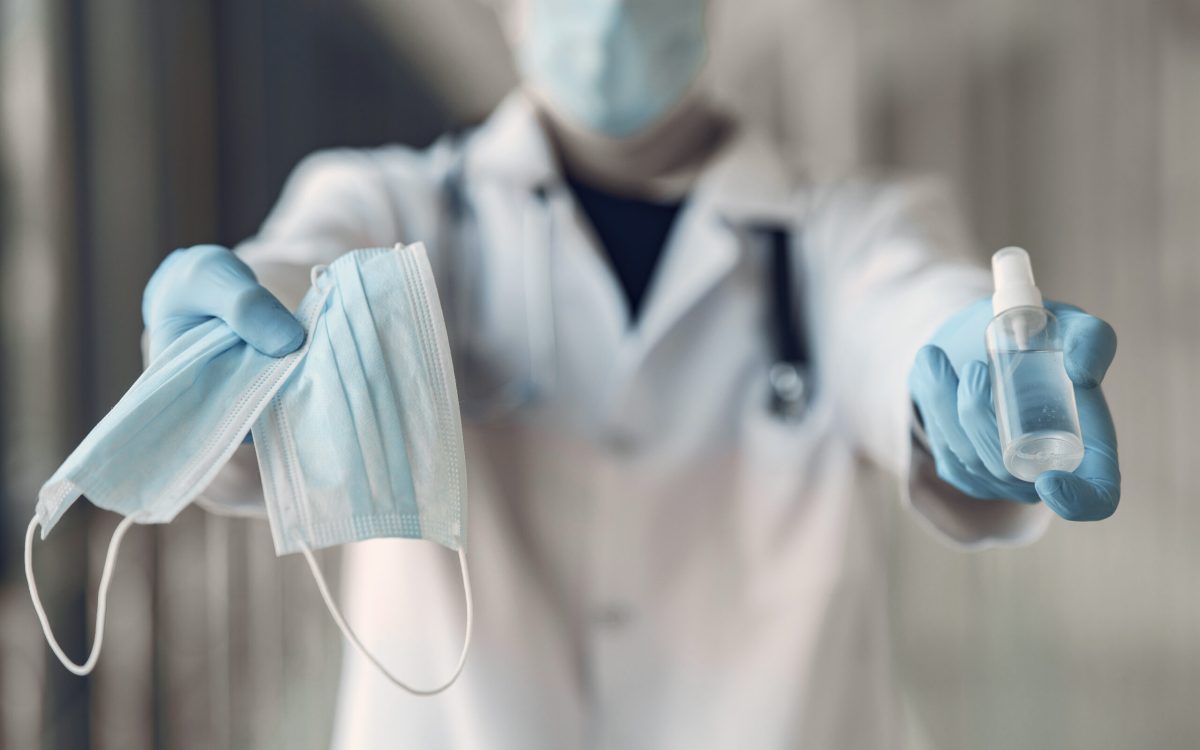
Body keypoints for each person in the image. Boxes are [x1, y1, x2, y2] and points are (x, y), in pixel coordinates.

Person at [140, 0, 1120, 746]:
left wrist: (957, 368)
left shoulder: (840, 230)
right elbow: (295, 284)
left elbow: (902, 301)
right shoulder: (390, 204)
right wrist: (218, 362)